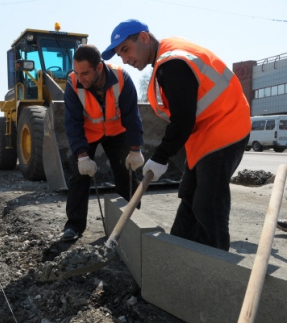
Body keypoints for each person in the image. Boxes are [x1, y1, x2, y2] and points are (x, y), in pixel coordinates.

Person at [102, 19, 251, 251]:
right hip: (207, 135)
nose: (125, 60)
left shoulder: (172, 63)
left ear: (143, 37)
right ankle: (177, 254)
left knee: (208, 204)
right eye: (120, 56)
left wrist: (161, 157)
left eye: (125, 50)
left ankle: (217, 268)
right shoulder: (167, 56)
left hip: (226, 128)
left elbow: (183, 119)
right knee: (190, 195)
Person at [61, 44, 144, 242]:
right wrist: (82, 156)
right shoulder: (73, 83)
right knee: (78, 177)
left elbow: (132, 116)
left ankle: (130, 221)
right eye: (77, 72)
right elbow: (72, 122)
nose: (81, 78)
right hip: (89, 133)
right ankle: (73, 226)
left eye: (85, 73)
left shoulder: (121, 78)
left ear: (99, 68)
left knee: (127, 173)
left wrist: (135, 149)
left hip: (117, 132)